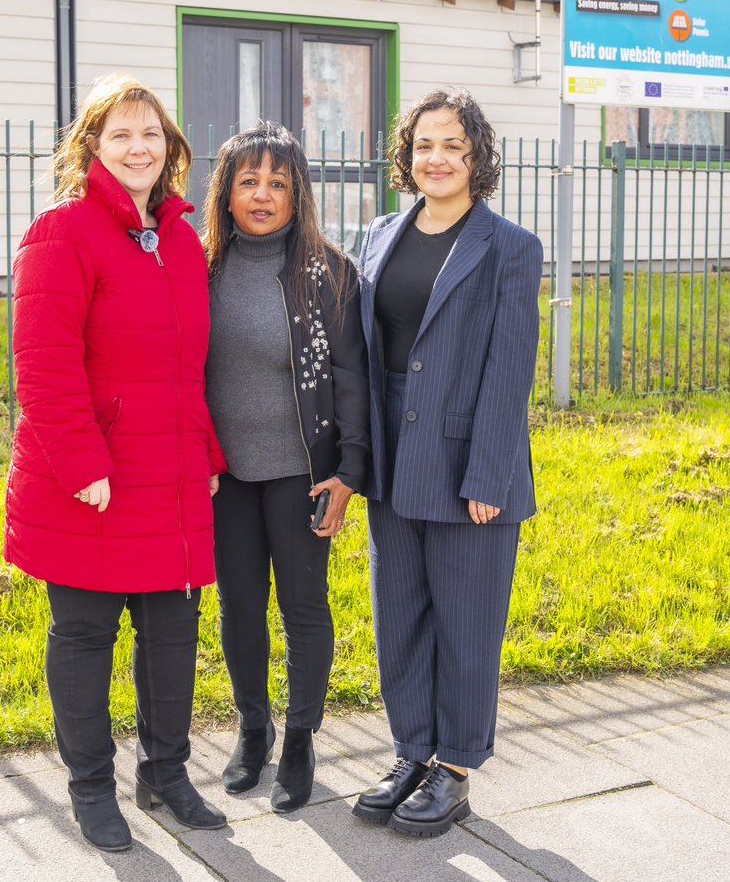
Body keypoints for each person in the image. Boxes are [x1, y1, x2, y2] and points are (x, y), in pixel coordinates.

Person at [4, 75, 228, 854]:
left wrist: (206, 450)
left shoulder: (178, 240)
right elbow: (43, 361)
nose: (139, 147)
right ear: (92, 146)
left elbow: (187, 364)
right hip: (91, 483)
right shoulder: (61, 231)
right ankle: (92, 788)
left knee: (172, 632)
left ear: (169, 150)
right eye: (122, 134)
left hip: (169, 476)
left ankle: (165, 774)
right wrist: (80, 463)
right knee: (86, 634)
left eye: (151, 135)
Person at [352, 89, 543, 838]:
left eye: (453, 147)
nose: (437, 158)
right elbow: (367, 358)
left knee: (466, 622)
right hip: (394, 460)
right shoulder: (377, 236)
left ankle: (455, 768)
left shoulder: (509, 248)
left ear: (477, 158)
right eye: (425, 144)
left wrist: (489, 476)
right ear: (407, 154)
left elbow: (509, 370)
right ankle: (411, 752)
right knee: (399, 614)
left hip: (469, 461)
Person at [202, 122, 369, 813]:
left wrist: (350, 470)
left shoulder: (329, 271)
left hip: (303, 471)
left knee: (303, 606)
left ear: (298, 192)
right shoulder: (199, 265)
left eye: (278, 181)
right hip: (225, 475)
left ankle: (299, 736)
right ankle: (253, 726)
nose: (263, 194)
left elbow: (354, 378)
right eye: (249, 181)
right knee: (240, 606)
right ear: (226, 192)